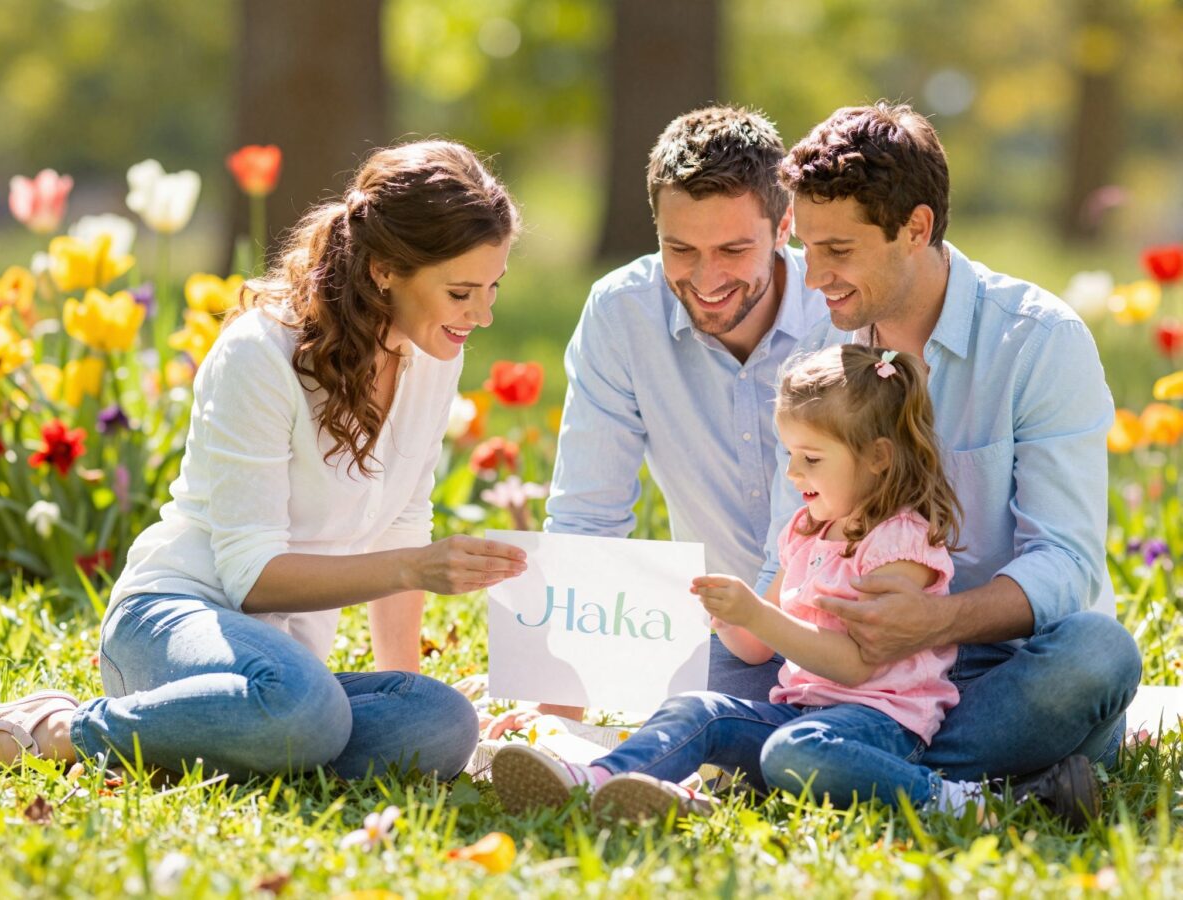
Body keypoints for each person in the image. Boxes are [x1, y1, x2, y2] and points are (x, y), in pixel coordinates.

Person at [0, 141, 529, 780]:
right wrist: (414, 569)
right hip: (174, 618)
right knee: (302, 710)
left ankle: (240, 733)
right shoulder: (262, 353)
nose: (483, 314)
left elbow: (405, 520)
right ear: (385, 269)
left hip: (286, 669)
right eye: (462, 291)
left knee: (441, 724)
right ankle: (56, 728)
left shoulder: (433, 353)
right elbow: (251, 577)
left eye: (493, 288)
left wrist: (403, 687)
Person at [491, 345, 1098, 827]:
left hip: (880, 727)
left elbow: (857, 666)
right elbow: (755, 650)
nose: (792, 473)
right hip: (801, 715)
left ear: (878, 458)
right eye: (789, 454)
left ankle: (967, 803)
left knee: (795, 753)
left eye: (811, 458)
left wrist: (757, 614)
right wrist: (710, 606)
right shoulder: (807, 530)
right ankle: (598, 780)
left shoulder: (901, 544)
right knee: (698, 709)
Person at [736, 102, 1140, 788]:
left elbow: (1065, 561)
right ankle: (988, 785)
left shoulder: (1038, 340)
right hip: (861, 677)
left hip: (1007, 666)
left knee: (1099, 654)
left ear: (915, 228)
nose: (812, 278)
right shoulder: (825, 351)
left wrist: (932, 623)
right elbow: (798, 526)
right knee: (720, 674)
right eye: (806, 249)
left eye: (839, 251)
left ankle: (864, 770)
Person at [481, 106, 826, 734]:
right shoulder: (623, 314)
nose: (705, 277)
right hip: (731, 639)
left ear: (785, 227)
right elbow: (588, 514)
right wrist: (557, 711)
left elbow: (804, 521)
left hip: (838, 630)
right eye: (680, 248)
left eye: (732, 249)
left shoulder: (838, 311)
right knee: (688, 706)